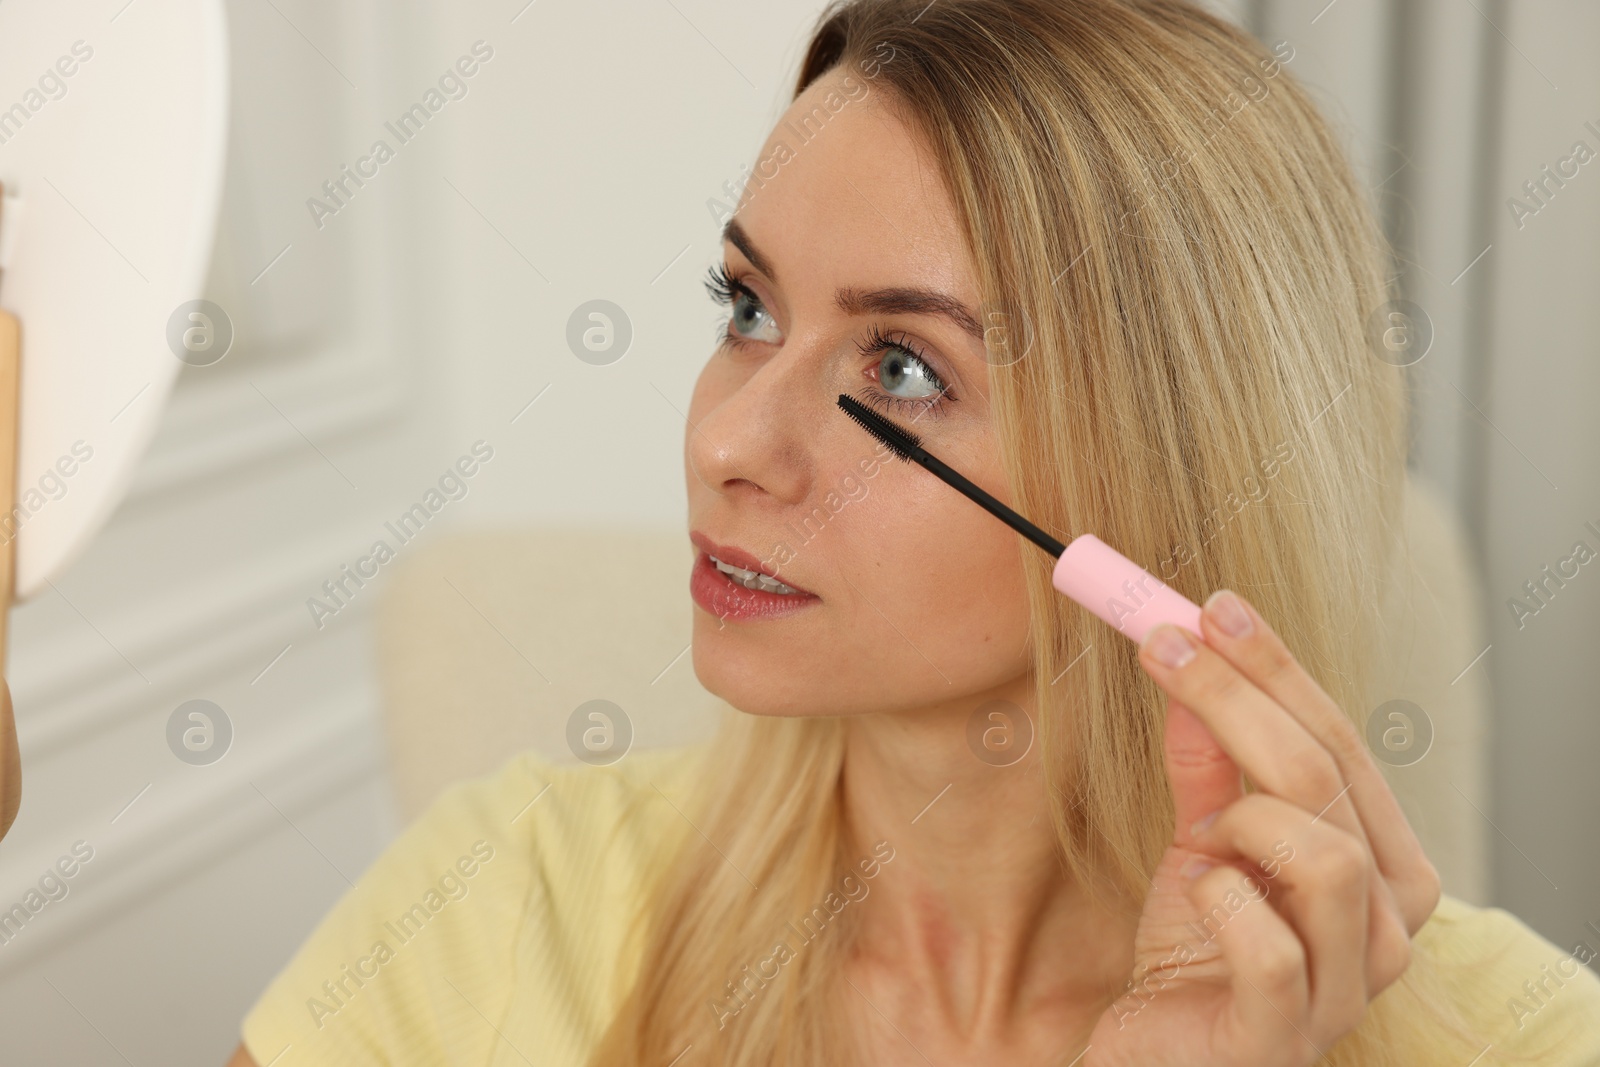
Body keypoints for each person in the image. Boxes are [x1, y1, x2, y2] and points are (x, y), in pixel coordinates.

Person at [226, 1, 1600, 1064]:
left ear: (1170, 478)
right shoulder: (494, 906)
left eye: (901, 371)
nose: (723, 444)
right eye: (748, 305)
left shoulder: (1519, 1036)